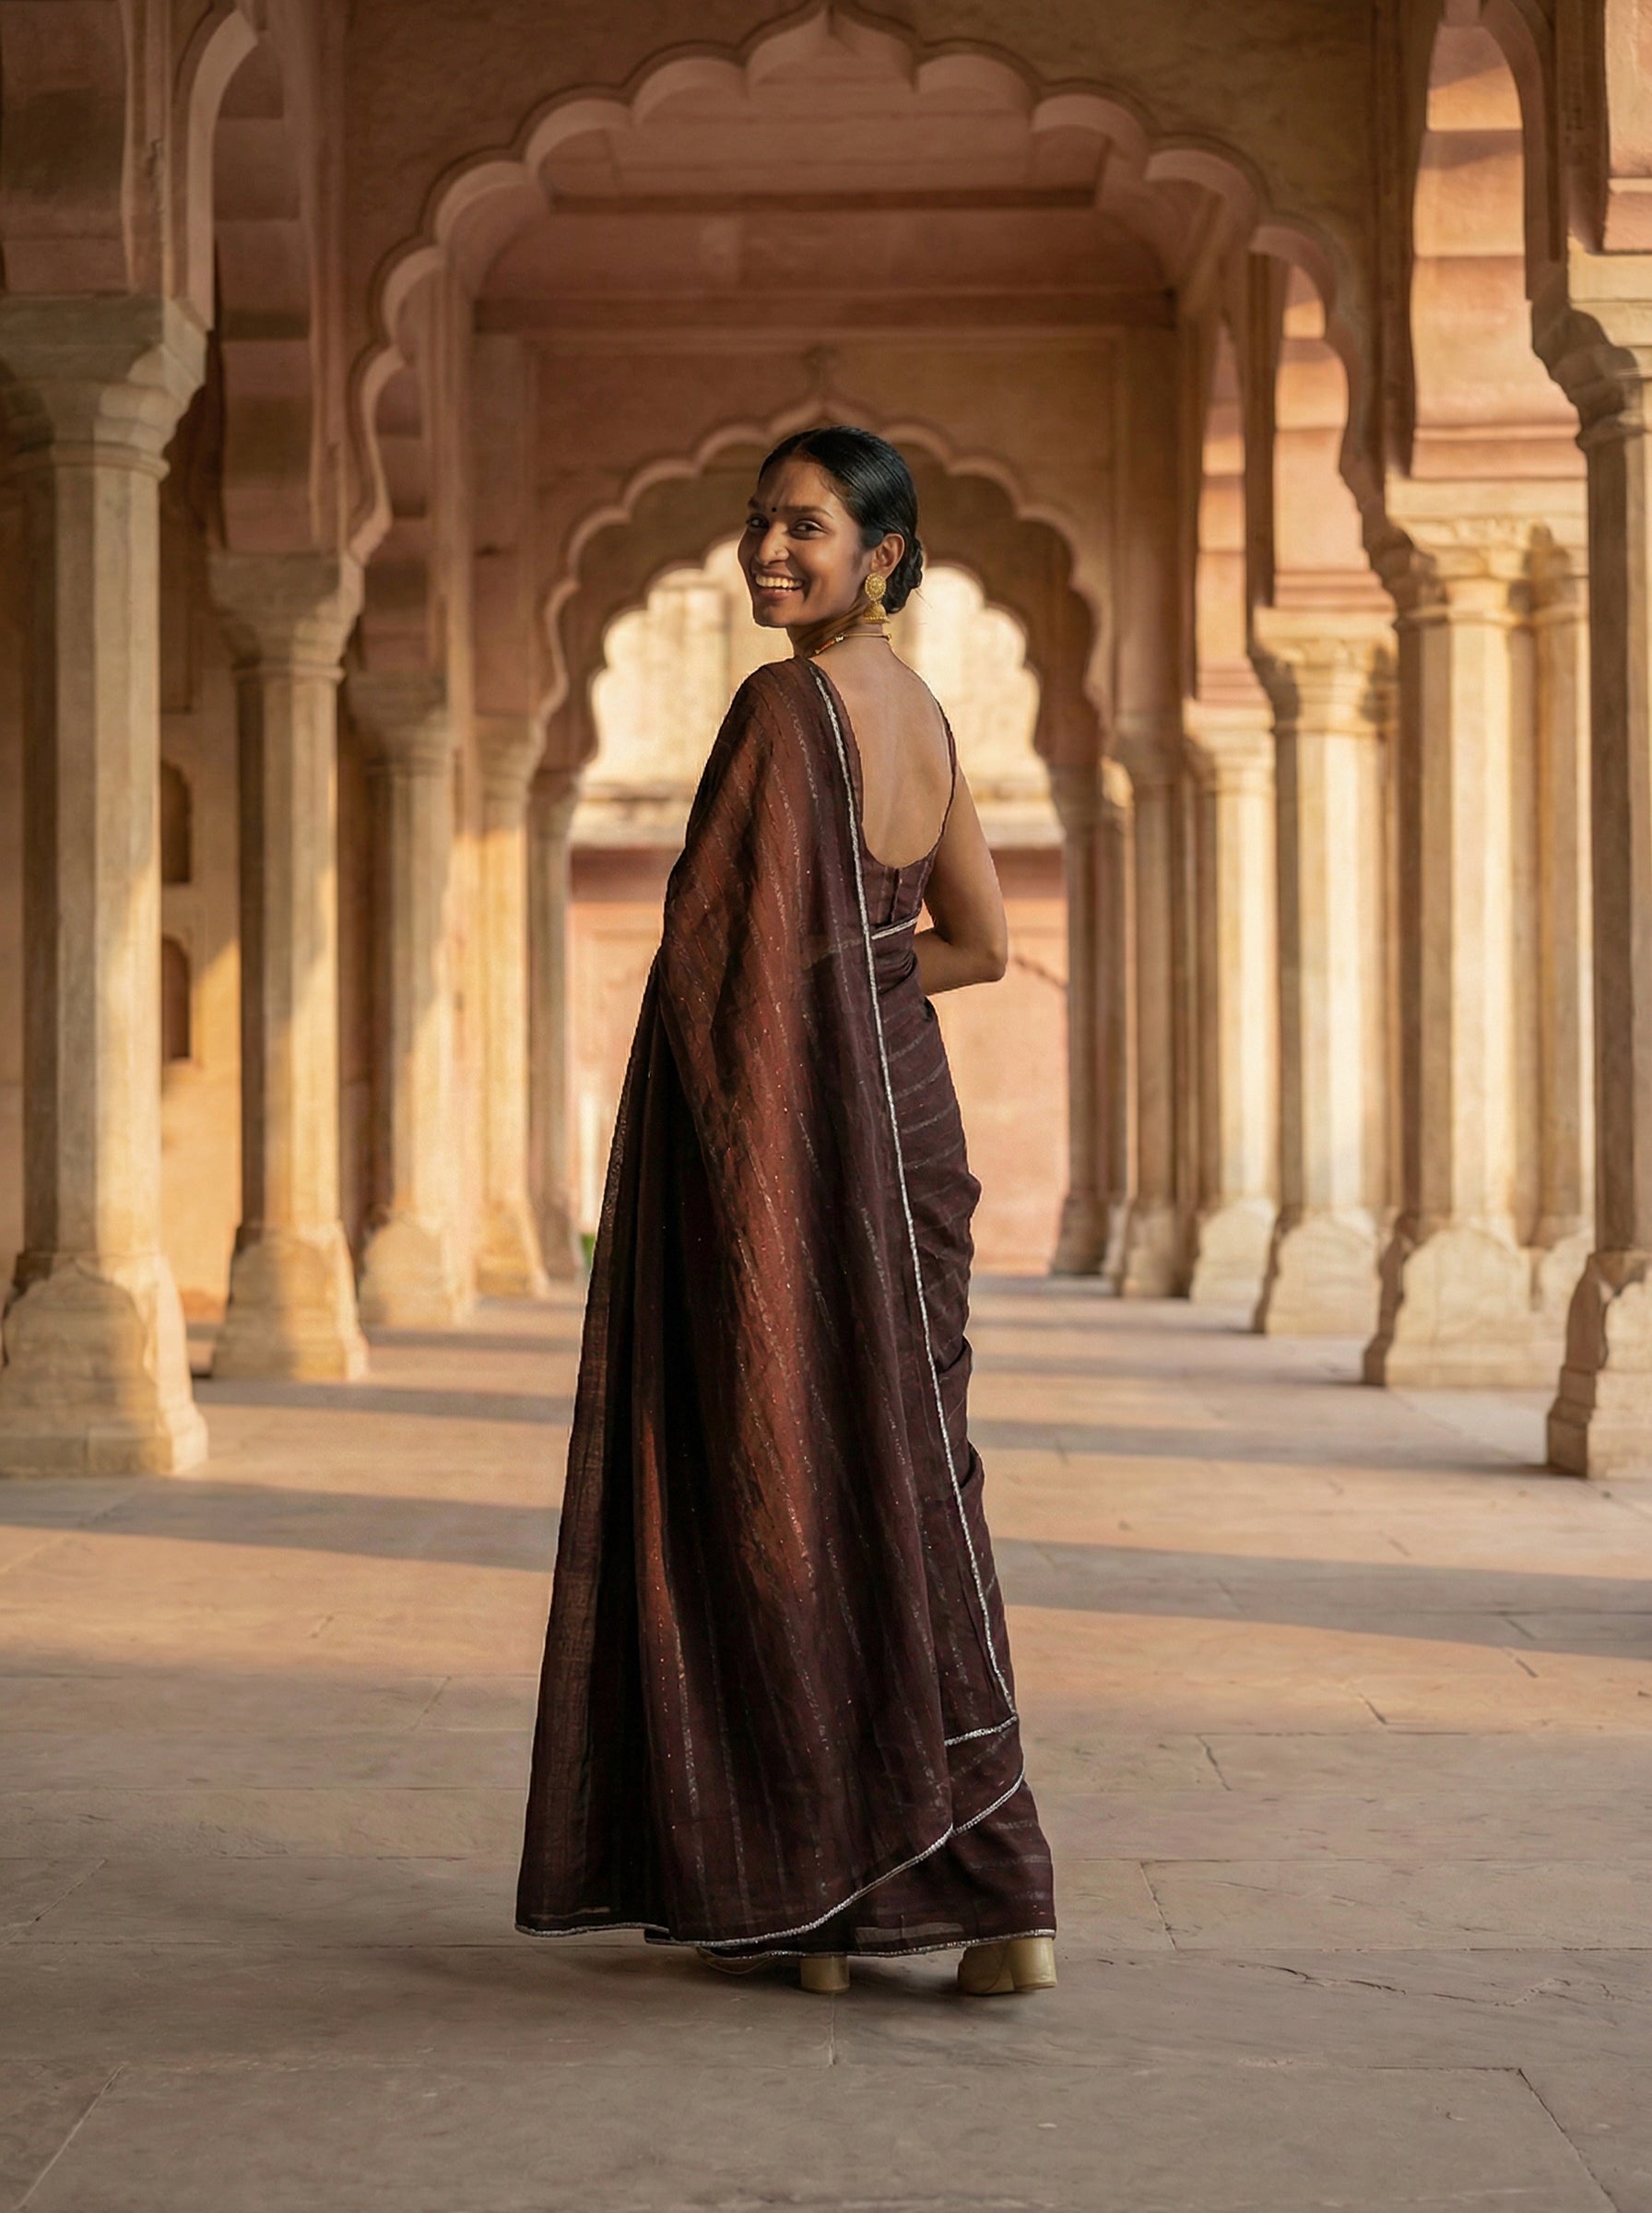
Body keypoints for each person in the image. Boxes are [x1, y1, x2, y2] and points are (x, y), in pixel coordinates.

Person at [516, 424, 1056, 1998]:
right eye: (760, 523)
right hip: (911, 1128)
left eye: (806, 528)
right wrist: (852, 990)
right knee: (919, 1489)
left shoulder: (784, 707)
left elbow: (712, 976)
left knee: (793, 1496)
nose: (769, 551)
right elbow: (979, 944)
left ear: (883, 554)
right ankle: (994, 1899)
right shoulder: (929, 721)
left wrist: (790, 1021)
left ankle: (831, 1893)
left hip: (801, 1151)